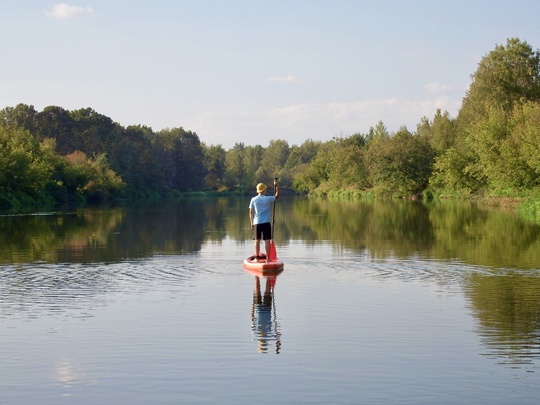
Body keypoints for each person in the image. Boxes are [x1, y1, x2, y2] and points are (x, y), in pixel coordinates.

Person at [249, 179, 279, 261]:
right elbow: (277, 196)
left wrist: (251, 223)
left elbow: (251, 212)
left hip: (256, 223)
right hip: (266, 223)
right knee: (267, 240)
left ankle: (257, 258)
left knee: (257, 241)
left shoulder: (253, 199)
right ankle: (268, 258)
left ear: (258, 190)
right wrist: (276, 186)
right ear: (264, 190)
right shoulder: (267, 199)